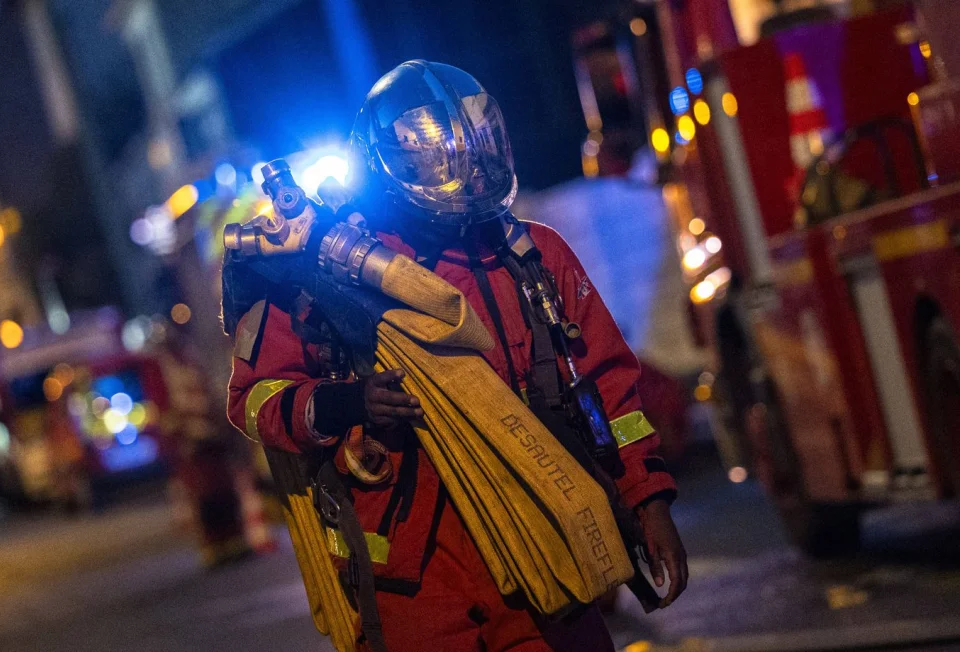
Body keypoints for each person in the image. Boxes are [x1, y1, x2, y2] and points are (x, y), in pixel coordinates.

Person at [227, 60, 686, 651]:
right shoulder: (326, 277)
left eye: (476, 154)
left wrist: (649, 501)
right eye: (435, 160)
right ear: (387, 163)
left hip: (542, 533)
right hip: (417, 571)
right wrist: (347, 403)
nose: (465, 177)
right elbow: (254, 398)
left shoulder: (533, 258)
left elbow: (609, 388)